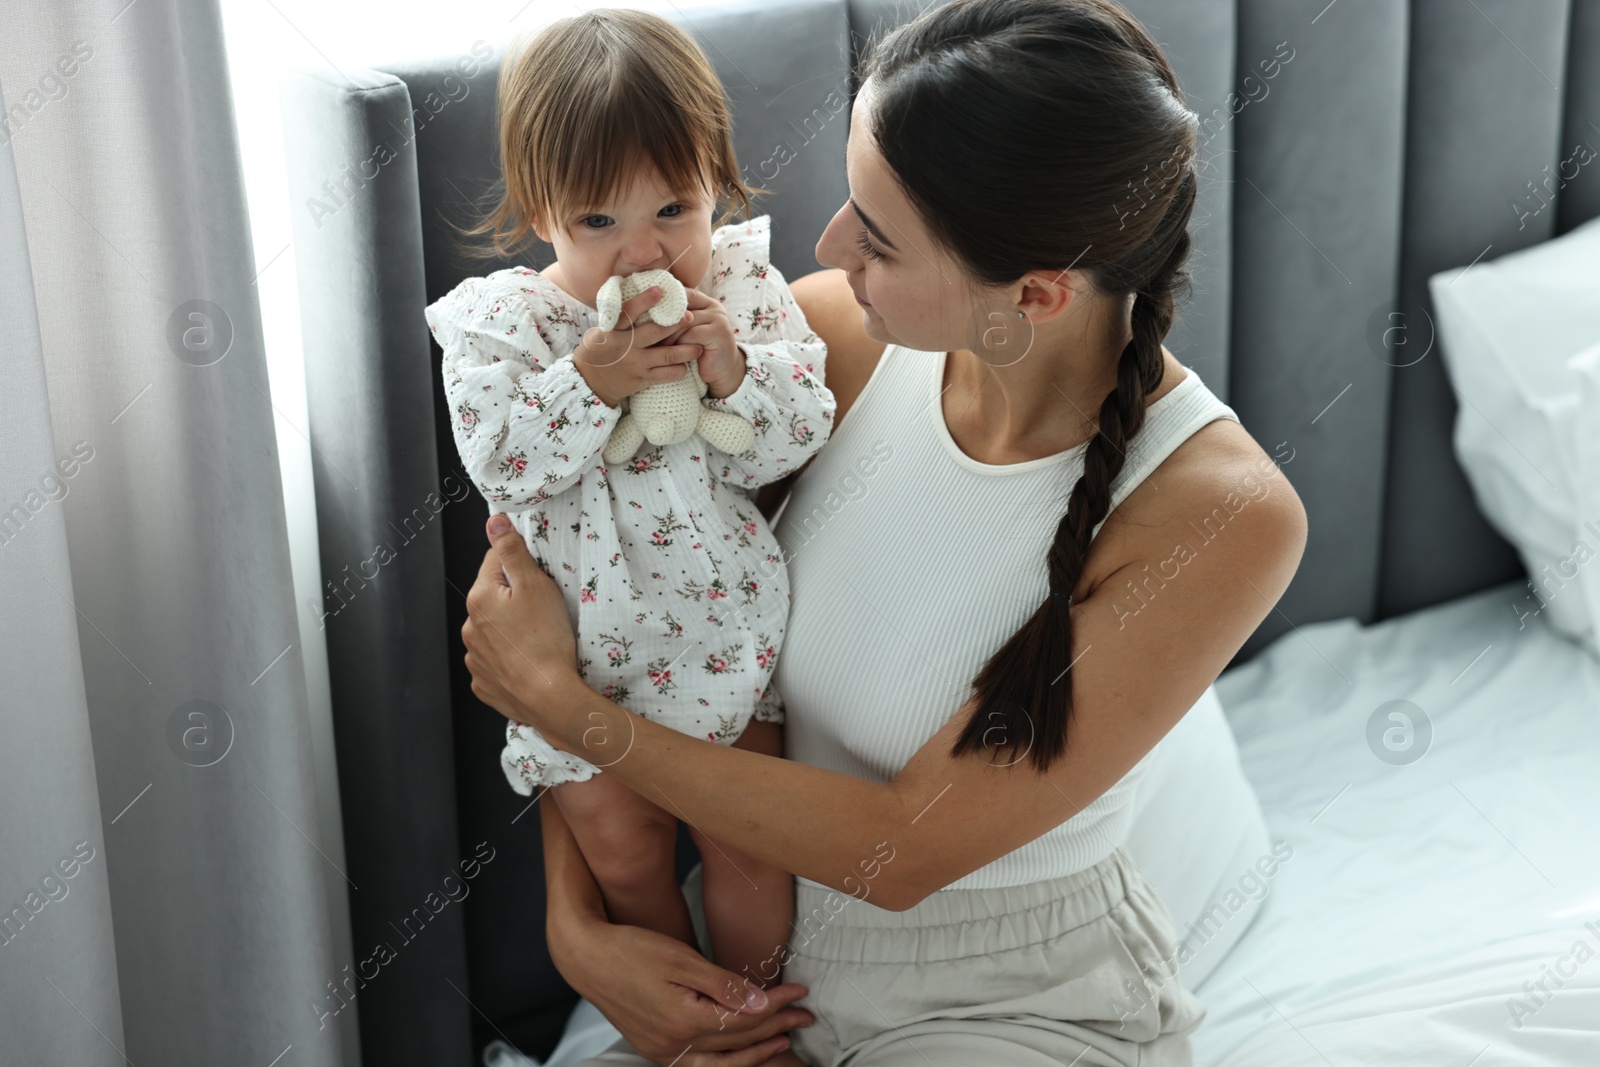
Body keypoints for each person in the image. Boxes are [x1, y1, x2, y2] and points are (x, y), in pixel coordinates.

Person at [460, 1, 1308, 1064]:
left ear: (1034, 292)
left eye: (877, 233)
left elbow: (898, 850)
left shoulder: (1221, 512)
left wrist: (558, 706)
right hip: (747, 945)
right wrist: (576, 926)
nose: (824, 245)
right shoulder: (814, 346)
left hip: (998, 1001)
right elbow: (622, 620)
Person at [423, 9, 833, 1033]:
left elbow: (798, 437)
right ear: (538, 211)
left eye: (672, 209)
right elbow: (503, 461)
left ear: (719, 183)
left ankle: (755, 1012)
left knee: (753, 845)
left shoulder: (740, 289)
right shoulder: (502, 326)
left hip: (727, 632)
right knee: (624, 851)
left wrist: (732, 366)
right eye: (596, 222)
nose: (640, 250)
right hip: (584, 659)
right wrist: (588, 381)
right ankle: (684, 1021)